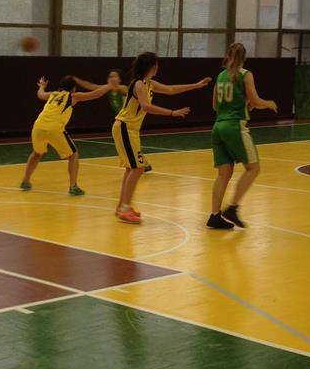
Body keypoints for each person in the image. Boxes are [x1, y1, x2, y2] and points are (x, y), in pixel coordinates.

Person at [113, 52, 211, 224]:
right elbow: (146, 106)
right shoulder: (139, 84)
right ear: (151, 66)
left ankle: (122, 206)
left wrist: (196, 85)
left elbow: (171, 89)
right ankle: (125, 208)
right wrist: (172, 113)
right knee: (138, 168)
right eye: (156, 64)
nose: (158, 67)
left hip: (130, 129)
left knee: (131, 168)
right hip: (124, 127)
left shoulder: (149, 83)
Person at [207, 42, 277, 230]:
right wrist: (268, 103)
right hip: (234, 126)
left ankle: (214, 215)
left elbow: (214, 105)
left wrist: (241, 103)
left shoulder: (220, 76)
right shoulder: (246, 75)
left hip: (218, 126)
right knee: (253, 168)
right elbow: (256, 101)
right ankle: (233, 208)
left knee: (223, 174)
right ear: (244, 58)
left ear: (228, 56)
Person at [19, 75, 112, 195]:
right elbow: (94, 94)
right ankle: (73, 186)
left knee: (37, 153)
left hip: (38, 127)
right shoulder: (72, 96)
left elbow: (40, 95)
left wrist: (42, 86)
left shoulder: (53, 94)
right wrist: (110, 86)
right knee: (73, 155)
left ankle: (25, 181)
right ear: (73, 88)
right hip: (54, 128)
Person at [74, 69, 153, 172]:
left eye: (115, 76)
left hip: (132, 120)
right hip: (124, 122)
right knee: (130, 144)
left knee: (131, 144)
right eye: (110, 77)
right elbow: (91, 86)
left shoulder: (123, 89)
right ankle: (142, 163)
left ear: (119, 79)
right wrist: (77, 80)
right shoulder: (108, 89)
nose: (112, 78)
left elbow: (139, 94)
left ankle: (138, 164)